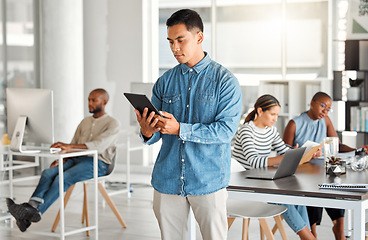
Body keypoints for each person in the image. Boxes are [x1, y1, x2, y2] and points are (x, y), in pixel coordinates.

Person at [134, 9, 242, 240]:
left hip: (208, 180)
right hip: (167, 179)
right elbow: (155, 135)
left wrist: (180, 129)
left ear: (199, 37)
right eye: (170, 41)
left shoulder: (225, 81)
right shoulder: (164, 82)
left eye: (180, 40)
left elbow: (226, 131)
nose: (174, 48)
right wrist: (147, 130)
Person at [6, 88, 120, 232]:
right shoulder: (84, 122)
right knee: (48, 173)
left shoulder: (113, 123)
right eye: (88, 100)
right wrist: (63, 159)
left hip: (99, 163)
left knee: (63, 178)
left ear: (104, 102)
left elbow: (98, 146)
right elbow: (72, 145)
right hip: (77, 159)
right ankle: (29, 211)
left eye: (93, 100)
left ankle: (35, 212)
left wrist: (69, 146)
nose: (89, 103)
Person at [283, 91, 368, 240]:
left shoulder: (326, 120)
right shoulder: (294, 123)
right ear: (311, 103)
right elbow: (285, 155)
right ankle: (312, 232)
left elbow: (338, 145)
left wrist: (358, 150)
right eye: (323, 106)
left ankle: (339, 228)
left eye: (328, 108)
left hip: (325, 168)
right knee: (315, 188)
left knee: (337, 184)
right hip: (304, 172)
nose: (325, 111)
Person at [232, 94, 316, 240]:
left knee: (298, 196)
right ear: (259, 111)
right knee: (281, 197)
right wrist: (285, 157)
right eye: (272, 114)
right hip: (244, 184)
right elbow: (255, 161)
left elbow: (283, 150)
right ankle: (309, 238)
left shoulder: (271, 130)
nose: (275, 119)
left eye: (277, 115)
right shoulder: (246, 131)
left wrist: (303, 152)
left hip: (260, 180)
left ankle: (307, 236)